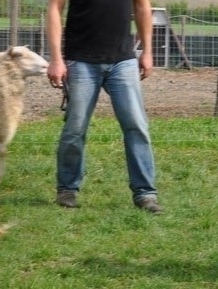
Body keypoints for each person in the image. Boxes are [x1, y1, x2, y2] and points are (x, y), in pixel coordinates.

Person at [46, 0, 163, 214]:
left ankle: (145, 194)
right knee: (75, 129)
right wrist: (56, 59)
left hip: (123, 61)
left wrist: (147, 51)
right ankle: (67, 190)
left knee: (136, 126)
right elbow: (55, 8)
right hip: (80, 60)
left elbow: (142, 7)